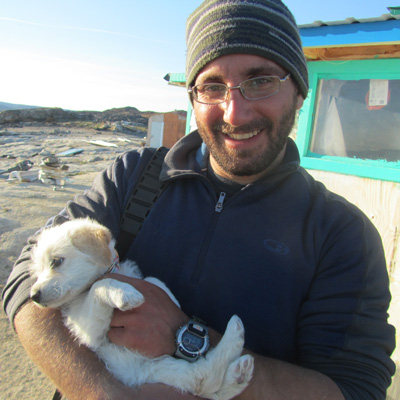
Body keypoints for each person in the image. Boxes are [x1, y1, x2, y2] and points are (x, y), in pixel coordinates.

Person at [2, 0, 396, 399]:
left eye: (261, 81)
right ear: (192, 97)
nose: (235, 112)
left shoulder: (341, 235)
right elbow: (23, 280)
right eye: (212, 86)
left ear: (298, 91)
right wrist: (104, 393)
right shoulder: (134, 177)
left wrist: (187, 337)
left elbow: (355, 388)